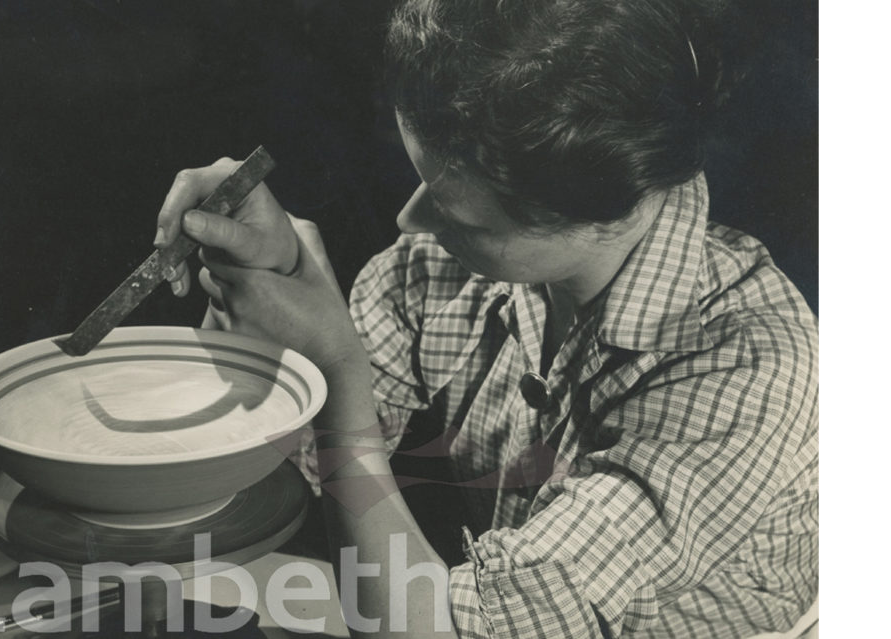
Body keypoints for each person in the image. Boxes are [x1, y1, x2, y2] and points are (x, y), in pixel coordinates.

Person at [154, 1, 818, 637]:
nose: (409, 220)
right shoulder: (436, 273)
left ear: (591, 215)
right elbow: (259, 478)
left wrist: (336, 372)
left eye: (456, 213)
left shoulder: (750, 365)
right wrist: (259, 289)